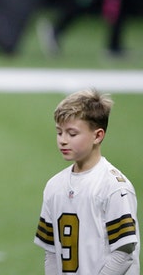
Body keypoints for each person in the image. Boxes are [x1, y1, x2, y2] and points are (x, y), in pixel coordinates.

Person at [34, 88, 139, 274]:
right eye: (59, 132)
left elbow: (123, 254)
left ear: (97, 136)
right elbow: (51, 252)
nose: (63, 141)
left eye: (72, 134)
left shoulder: (114, 186)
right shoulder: (54, 186)